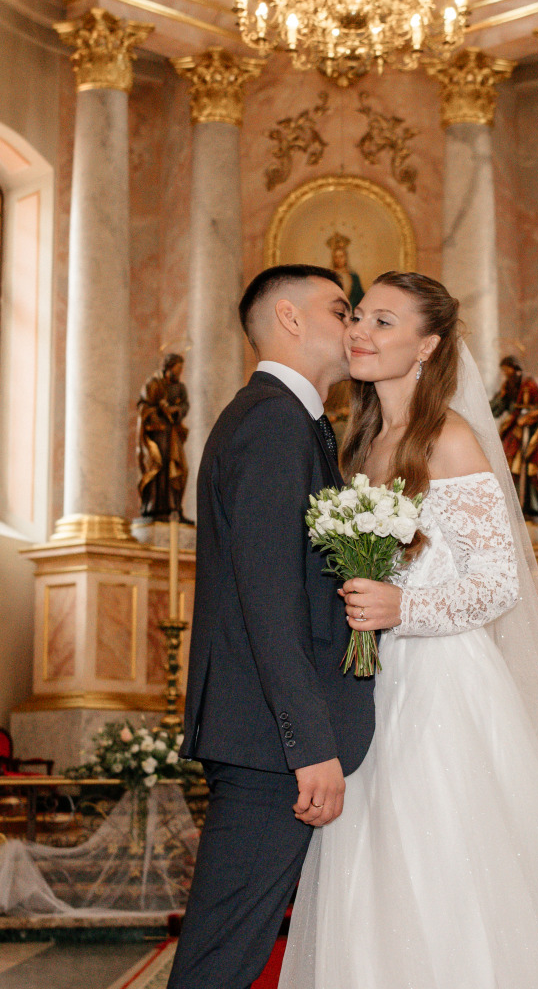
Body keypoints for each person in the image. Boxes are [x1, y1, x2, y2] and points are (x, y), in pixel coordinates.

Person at [279, 272, 538, 989]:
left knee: (444, 868)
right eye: (359, 317)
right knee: (373, 868)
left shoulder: (448, 436)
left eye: (384, 322)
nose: (360, 332)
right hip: (372, 688)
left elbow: (497, 583)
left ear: (428, 346)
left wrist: (403, 611)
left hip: (441, 692)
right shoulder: (364, 440)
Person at [167, 265, 375, 989]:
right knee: (221, 960)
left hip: (268, 739)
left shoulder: (297, 423)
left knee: (234, 951)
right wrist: (307, 745)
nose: (353, 327)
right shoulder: (270, 421)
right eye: (340, 308)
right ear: (289, 318)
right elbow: (266, 598)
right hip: (269, 747)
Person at [490, 354, 538, 519]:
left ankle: (532, 505)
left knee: (531, 465)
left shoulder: (532, 384)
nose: (507, 375)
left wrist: (528, 417)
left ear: (516, 369)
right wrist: (501, 397)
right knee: (510, 464)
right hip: (514, 429)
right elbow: (495, 410)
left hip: (532, 432)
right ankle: (515, 504)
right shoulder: (508, 386)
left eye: (508, 371)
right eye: (504, 372)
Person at [137, 353, 191, 521]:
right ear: (169, 366)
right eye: (178, 367)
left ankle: (175, 507)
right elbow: (143, 406)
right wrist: (159, 411)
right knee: (158, 467)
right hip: (158, 433)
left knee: (179, 469)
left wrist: (176, 411)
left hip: (173, 433)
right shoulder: (154, 384)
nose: (180, 371)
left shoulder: (180, 387)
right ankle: (155, 507)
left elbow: (185, 405)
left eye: (182, 368)